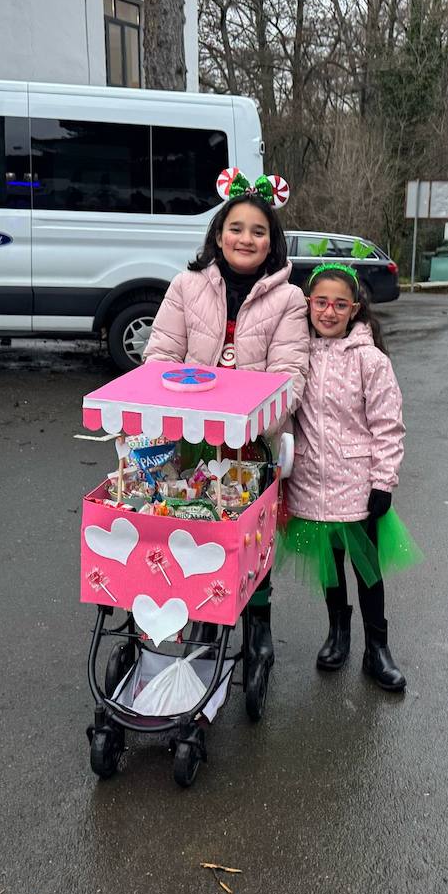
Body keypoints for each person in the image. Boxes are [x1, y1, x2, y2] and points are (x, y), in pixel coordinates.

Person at [142, 168, 309, 673]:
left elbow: (290, 377)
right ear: (219, 233)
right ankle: (200, 614)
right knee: (192, 529)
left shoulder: (288, 299)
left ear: (271, 244)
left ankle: (258, 622)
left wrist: (252, 419)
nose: (246, 239)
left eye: (259, 232)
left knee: (250, 537)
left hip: (251, 441)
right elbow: (160, 358)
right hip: (190, 439)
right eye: (236, 228)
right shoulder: (186, 286)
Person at [279, 263, 422, 691]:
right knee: (331, 566)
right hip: (309, 479)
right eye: (320, 302)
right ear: (308, 304)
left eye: (339, 304)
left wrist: (383, 481)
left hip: (357, 483)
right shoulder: (295, 354)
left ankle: (376, 648)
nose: (328, 312)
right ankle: (337, 633)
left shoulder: (370, 361)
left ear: (354, 309)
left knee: (367, 568)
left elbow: (387, 425)